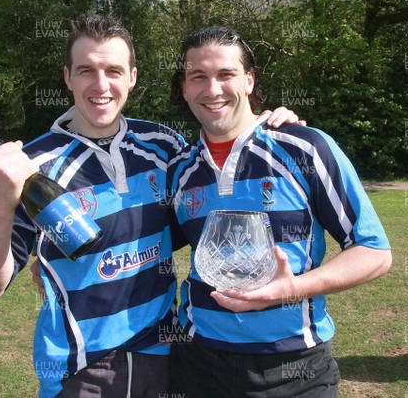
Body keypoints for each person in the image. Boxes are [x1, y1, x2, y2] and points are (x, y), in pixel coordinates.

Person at [0, 13, 301, 398]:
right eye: (86, 70)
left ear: (133, 77)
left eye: (113, 70)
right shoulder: (31, 167)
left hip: (167, 358)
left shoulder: (164, 145)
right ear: (67, 77)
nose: (101, 85)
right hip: (82, 372)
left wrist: (269, 127)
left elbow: (215, 190)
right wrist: (2, 205)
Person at [167, 26, 392, 397]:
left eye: (226, 75)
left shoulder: (305, 148)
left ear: (249, 80)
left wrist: (292, 289)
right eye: (198, 77)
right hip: (198, 366)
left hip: (295, 371)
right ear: (185, 87)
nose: (212, 90)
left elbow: (374, 251)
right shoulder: (179, 171)